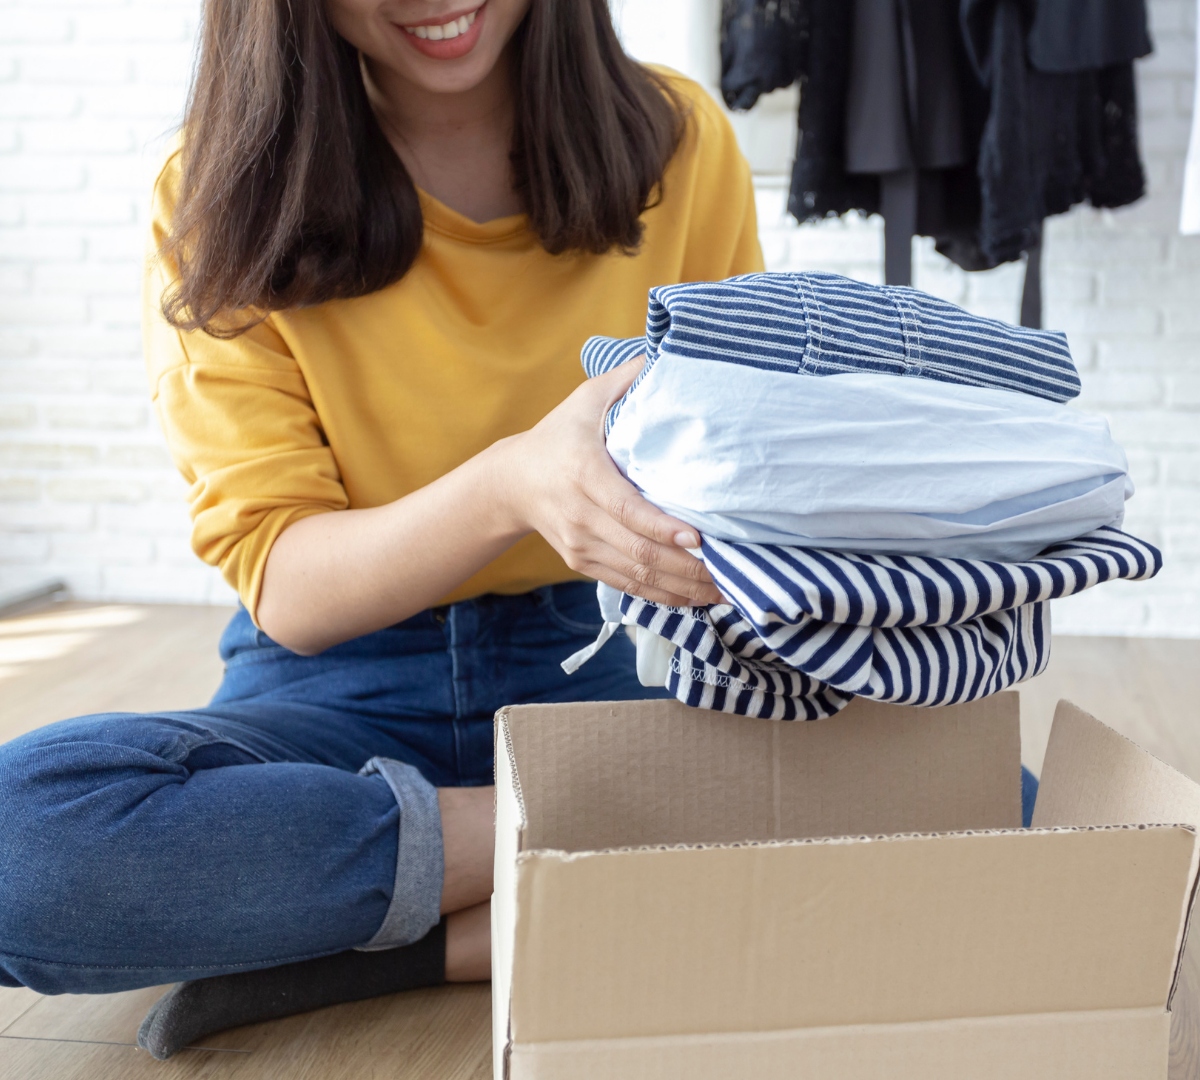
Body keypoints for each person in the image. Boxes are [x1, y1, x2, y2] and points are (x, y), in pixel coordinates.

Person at [0, 0, 762, 1058]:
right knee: (18, 846)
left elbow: (744, 467)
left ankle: (406, 936)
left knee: (992, 794)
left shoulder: (682, 140)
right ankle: (599, 855)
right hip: (337, 687)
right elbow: (290, 587)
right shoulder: (216, 187)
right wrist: (510, 487)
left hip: (608, 648)